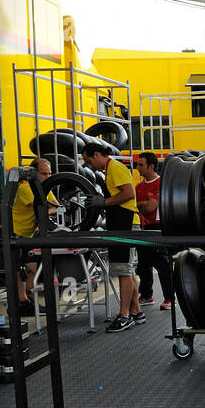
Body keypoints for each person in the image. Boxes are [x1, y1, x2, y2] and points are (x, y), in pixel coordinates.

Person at [81, 142, 143, 331]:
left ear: (98, 154)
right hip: (122, 223)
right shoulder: (110, 169)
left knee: (123, 270)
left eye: (89, 161)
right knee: (128, 271)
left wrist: (104, 201)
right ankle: (136, 311)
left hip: (125, 224)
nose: (89, 166)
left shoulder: (115, 168)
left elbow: (129, 193)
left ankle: (124, 316)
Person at [9, 157, 57, 313]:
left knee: (34, 269)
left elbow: (55, 207)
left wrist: (44, 214)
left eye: (49, 174)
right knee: (17, 270)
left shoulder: (46, 189)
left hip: (29, 234)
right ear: (34, 174)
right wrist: (44, 212)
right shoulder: (25, 189)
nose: (48, 177)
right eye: (44, 174)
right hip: (13, 233)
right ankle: (22, 302)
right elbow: (41, 207)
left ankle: (29, 301)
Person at [133, 152, 174, 310]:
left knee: (162, 264)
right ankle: (146, 295)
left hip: (157, 228)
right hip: (143, 228)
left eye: (141, 165)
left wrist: (141, 204)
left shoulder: (160, 184)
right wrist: (143, 203)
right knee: (143, 265)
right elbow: (138, 206)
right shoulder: (138, 187)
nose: (137, 168)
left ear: (151, 166)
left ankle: (170, 298)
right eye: (137, 164)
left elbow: (150, 207)